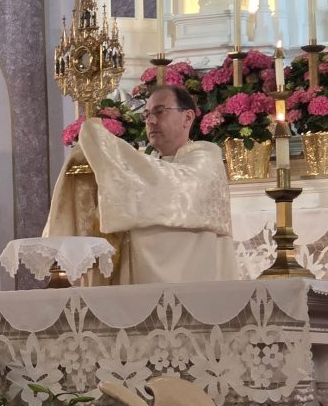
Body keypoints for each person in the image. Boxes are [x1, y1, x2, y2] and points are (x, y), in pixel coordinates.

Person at [43, 84, 238, 284]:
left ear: (188, 117)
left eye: (160, 111)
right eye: (146, 115)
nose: (151, 121)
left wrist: (103, 145)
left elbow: (173, 186)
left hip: (192, 281)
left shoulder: (206, 156)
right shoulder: (149, 164)